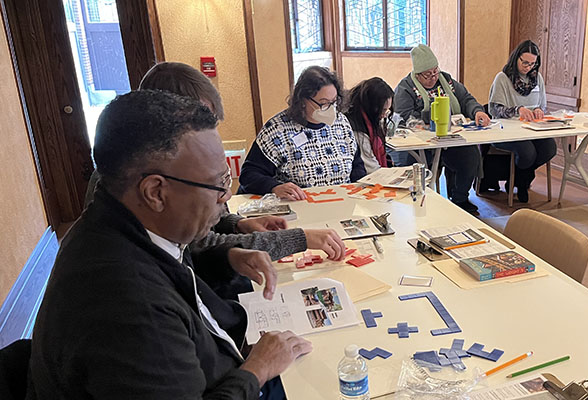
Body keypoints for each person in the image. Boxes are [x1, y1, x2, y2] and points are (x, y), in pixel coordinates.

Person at [28, 90, 312, 398]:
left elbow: (170, 266)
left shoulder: (115, 220)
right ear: (156, 193)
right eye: (218, 184)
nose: (226, 197)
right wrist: (258, 369)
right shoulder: (129, 306)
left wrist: (227, 257)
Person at [82, 62, 346, 300]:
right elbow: (199, 244)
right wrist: (296, 238)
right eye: (198, 125)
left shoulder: (163, 179)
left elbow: (204, 233)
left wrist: (239, 224)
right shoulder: (128, 261)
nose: (225, 196)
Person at [239, 66, 367, 199]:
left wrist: (359, 189)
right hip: (299, 207)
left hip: (341, 202)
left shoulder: (341, 122)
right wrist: (274, 187)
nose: (330, 109)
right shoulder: (277, 130)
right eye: (323, 103)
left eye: (334, 102)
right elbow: (249, 175)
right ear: (303, 100)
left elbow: (356, 165)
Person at [394, 44, 489, 212]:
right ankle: (423, 201)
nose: (433, 77)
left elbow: (466, 99)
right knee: (418, 164)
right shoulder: (405, 88)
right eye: (428, 74)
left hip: (450, 137)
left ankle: (460, 198)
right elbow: (404, 116)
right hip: (422, 142)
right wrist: (435, 114)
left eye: (435, 71)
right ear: (417, 74)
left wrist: (477, 111)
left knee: (470, 156)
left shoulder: (447, 80)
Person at [487, 40, 557, 202]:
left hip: (532, 129)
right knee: (527, 152)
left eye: (532, 63)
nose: (528, 67)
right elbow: (494, 109)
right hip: (507, 130)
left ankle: (520, 179)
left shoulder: (536, 78)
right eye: (524, 62)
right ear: (516, 58)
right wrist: (517, 110)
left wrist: (539, 110)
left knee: (549, 148)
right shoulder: (503, 78)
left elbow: (542, 105)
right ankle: (521, 181)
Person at [344, 77, 395, 174]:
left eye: (387, 110)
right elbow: (371, 168)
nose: (384, 115)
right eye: (383, 110)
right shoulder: (356, 128)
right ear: (372, 106)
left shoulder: (370, 117)